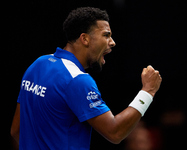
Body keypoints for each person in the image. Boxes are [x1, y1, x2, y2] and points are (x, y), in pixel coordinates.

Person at [11, 7, 162, 150]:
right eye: (106, 35)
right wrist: (148, 91)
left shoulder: (38, 64)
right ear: (85, 39)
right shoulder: (77, 79)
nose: (112, 42)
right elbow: (115, 132)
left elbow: (16, 131)